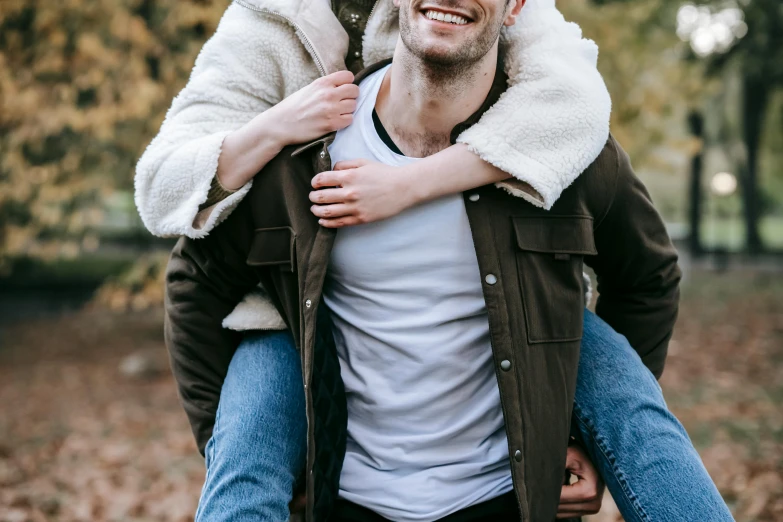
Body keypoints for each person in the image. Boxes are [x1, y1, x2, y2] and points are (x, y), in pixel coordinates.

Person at [155, 1, 737, 521]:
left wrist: (572, 437)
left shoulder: (561, 151)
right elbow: (193, 284)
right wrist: (242, 450)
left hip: (503, 497)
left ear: (516, 9)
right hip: (348, 498)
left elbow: (649, 278)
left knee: (618, 385)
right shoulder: (305, 155)